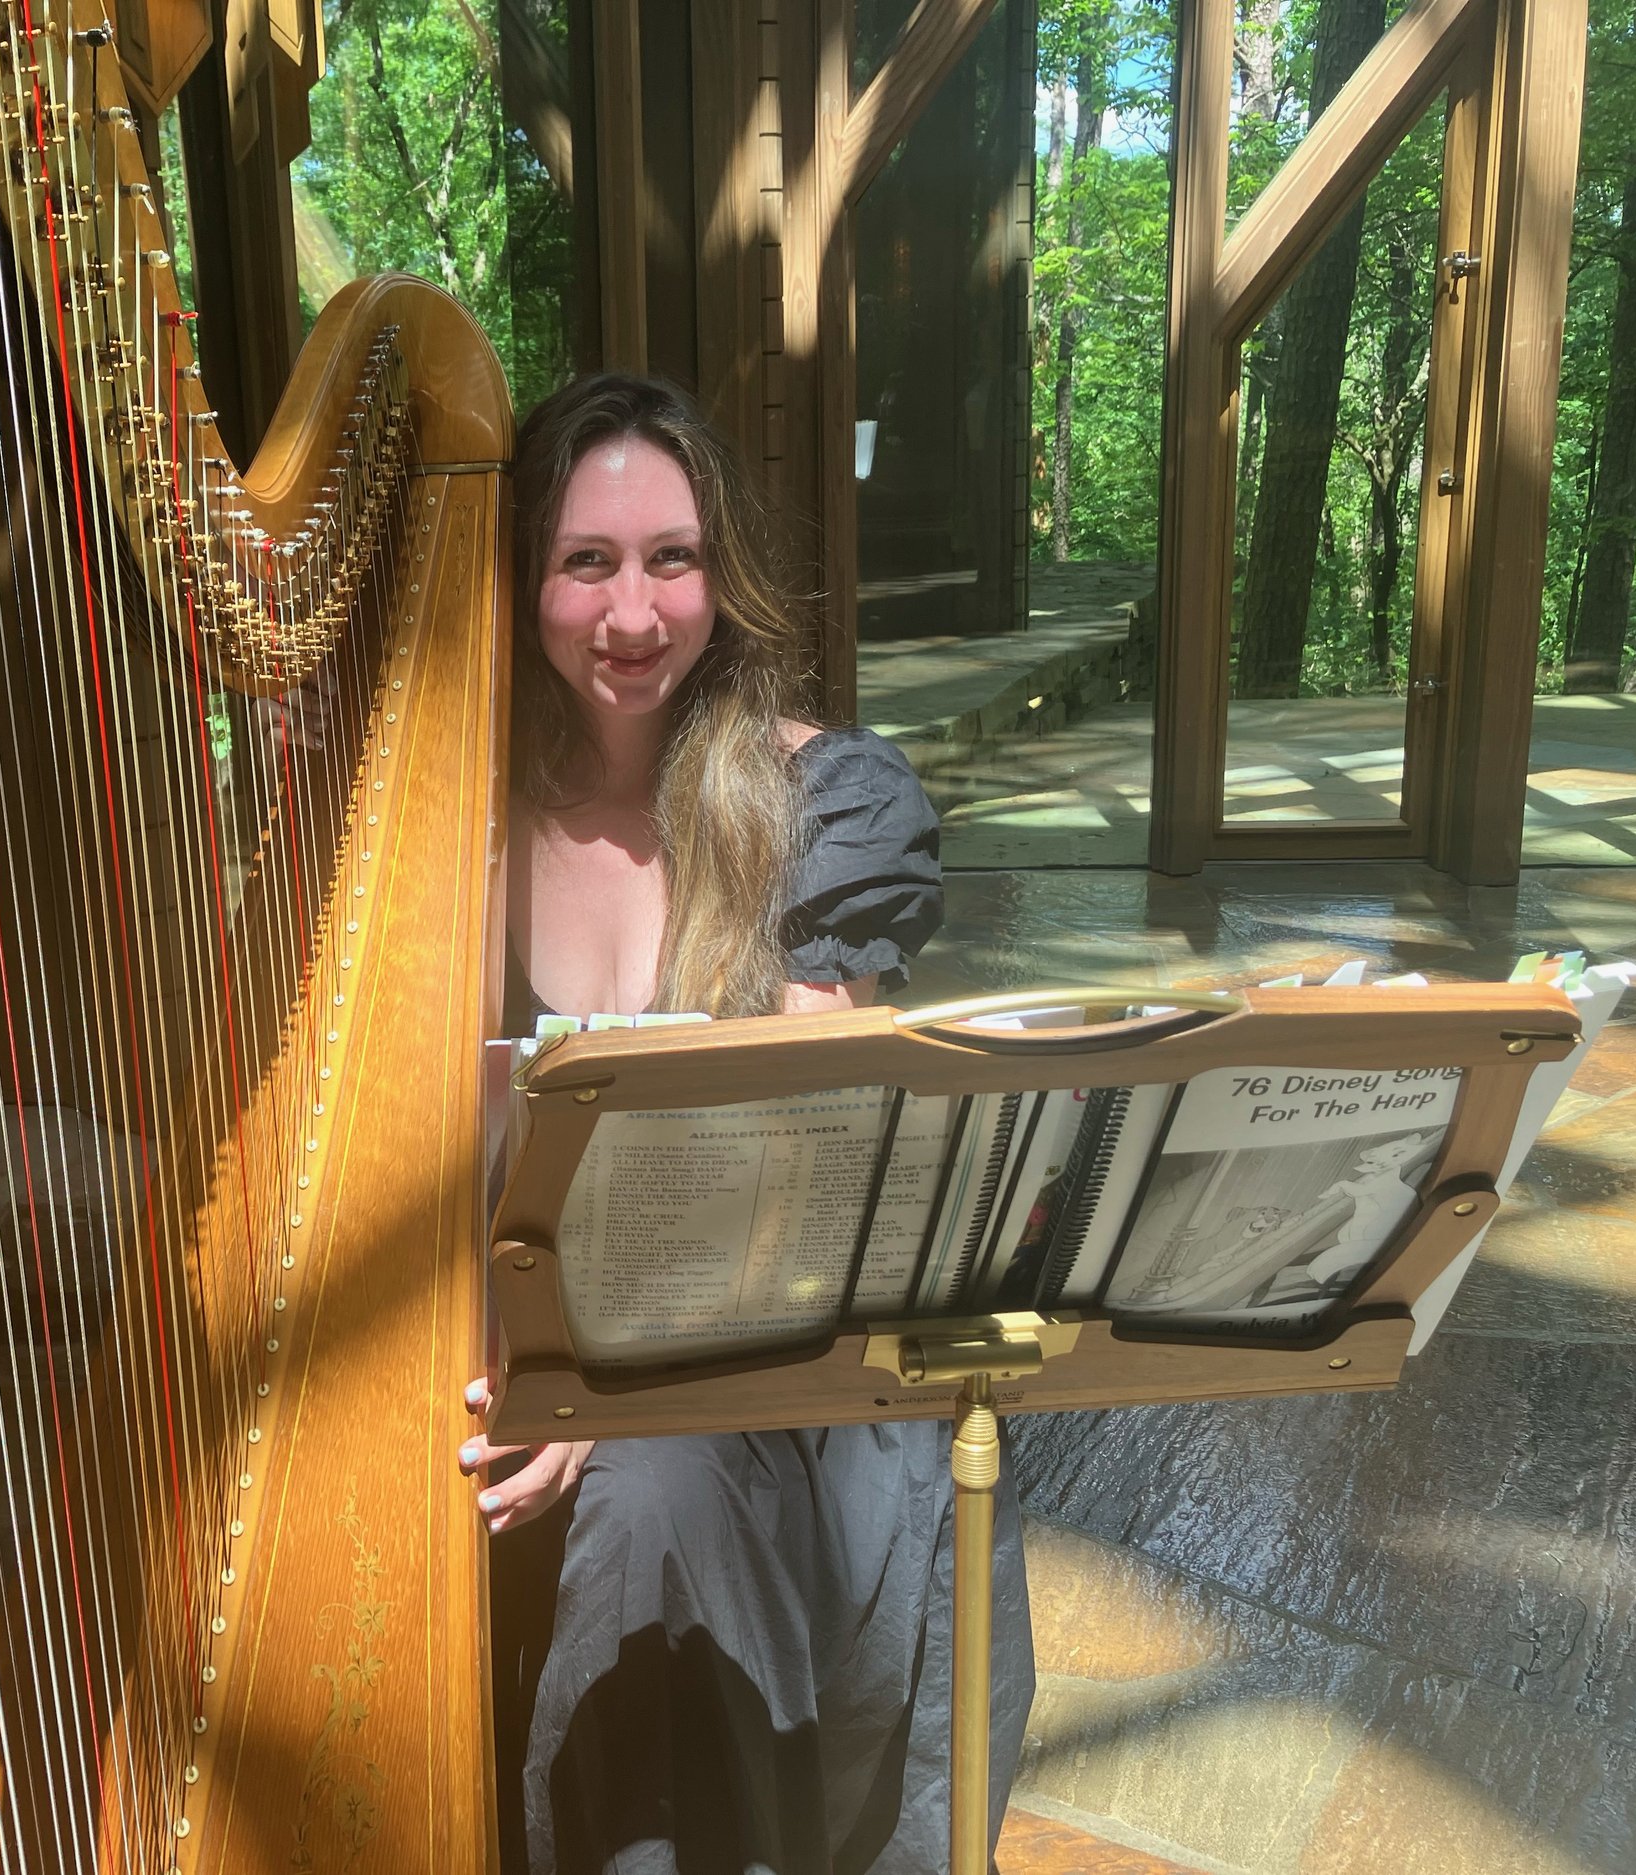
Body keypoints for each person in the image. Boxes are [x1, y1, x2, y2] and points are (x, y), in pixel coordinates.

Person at [457, 374, 1036, 1875]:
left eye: (673, 559)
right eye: (586, 562)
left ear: (726, 576)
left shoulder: (821, 802)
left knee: (656, 1483)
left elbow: (788, 1155)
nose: (632, 613)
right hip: (520, 1322)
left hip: (765, 1344)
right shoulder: (448, 831)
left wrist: (589, 1384)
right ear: (523, 579)